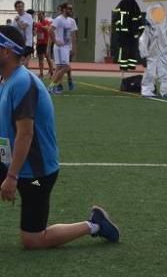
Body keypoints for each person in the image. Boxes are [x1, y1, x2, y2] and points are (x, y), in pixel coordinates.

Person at [0, 25, 120, 248]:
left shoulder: (22, 83)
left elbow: (25, 135)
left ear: (6, 51)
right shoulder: (6, 80)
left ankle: (94, 224)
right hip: (11, 163)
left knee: (33, 240)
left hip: (34, 175)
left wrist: (12, 178)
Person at [139, 3, 167, 98]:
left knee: (166, 72)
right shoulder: (149, 28)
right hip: (152, 54)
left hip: (165, 53)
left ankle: (165, 90)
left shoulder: (164, 26)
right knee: (150, 73)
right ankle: (147, 90)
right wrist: (144, 55)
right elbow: (143, 41)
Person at [48, 3, 77, 95]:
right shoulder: (58, 19)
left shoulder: (71, 21)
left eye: (71, 9)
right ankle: (51, 87)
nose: (71, 10)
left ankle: (53, 87)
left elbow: (73, 35)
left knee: (59, 68)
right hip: (60, 48)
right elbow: (50, 30)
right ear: (64, 9)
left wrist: (74, 48)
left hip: (66, 47)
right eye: (69, 8)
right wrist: (55, 41)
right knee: (66, 67)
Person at [33, 10, 54, 79]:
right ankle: (41, 73)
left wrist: (40, 25)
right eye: (38, 15)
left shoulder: (46, 22)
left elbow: (47, 28)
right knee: (40, 59)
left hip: (45, 42)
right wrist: (34, 29)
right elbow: (35, 33)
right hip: (39, 43)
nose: (39, 16)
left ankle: (51, 72)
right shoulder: (38, 23)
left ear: (43, 16)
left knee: (47, 57)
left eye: (41, 15)